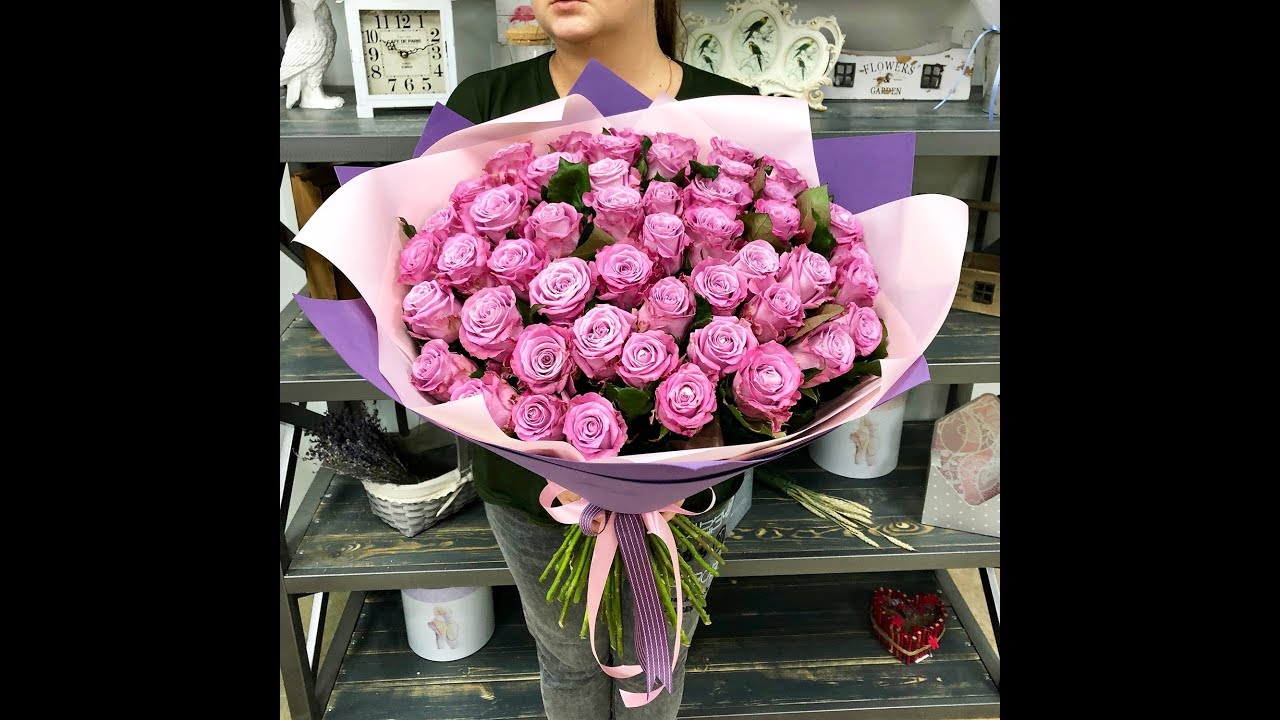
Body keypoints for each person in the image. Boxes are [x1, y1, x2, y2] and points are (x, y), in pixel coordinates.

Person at [445, 2, 759, 719]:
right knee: (562, 652)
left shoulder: (737, 116)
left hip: (691, 490)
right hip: (532, 489)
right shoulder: (483, 106)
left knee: (660, 653)